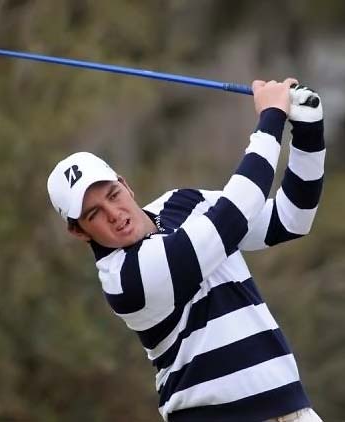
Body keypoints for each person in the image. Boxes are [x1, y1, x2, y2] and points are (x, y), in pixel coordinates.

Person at [47, 78, 326, 422]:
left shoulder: (180, 203)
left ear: (126, 186)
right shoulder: (126, 280)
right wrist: (270, 117)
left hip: (293, 411)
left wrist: (308, 130)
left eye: (112, 196)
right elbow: (235, 214)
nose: (114, 215)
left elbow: (290, 219)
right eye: (94, 214)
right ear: (78, 231)